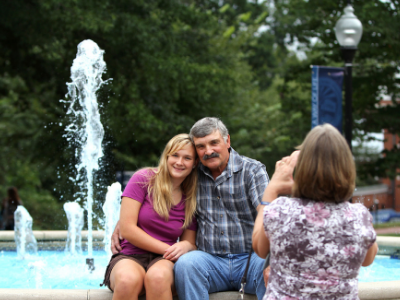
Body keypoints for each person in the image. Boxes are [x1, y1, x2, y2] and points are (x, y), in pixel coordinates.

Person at [112, 117, 270, 299]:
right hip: (210, 260)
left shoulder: (252, 171)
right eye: (201, 146)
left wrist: (273, 259)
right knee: (186, 264)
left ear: (227, 141)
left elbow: (269, 215)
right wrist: (124, 220)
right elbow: (162, 180)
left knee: (272, 269)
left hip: (250, 257)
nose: (208, 151)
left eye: (214, 143)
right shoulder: (193, 174)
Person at [253, 124, 378, 299]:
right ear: (347, 169)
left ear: (303, 170)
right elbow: (368, 260)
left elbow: (259, 248)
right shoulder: (359, 216)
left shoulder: (281, 210)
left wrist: (272, 189)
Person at [102, 133, 198, 300]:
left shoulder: (191, 198)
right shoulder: (143, 179)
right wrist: (169, 249)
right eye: (175, 155)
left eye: (187, 158)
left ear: (195, 163)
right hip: (130, 255)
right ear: (166, 156)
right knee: (127, 280)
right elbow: (127, 229)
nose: (179, 162)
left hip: (164, 261)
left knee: (158, 278)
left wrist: (186, 246)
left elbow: (189, 241)